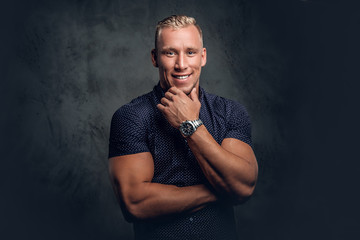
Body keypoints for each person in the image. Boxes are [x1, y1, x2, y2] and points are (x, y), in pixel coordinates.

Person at [108, 15, 258, 240]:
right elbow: (135, 203)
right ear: (155, 57)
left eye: (190, 52)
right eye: (170, 52)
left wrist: (191, 125)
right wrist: (220, 192)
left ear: (203, 56)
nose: (181, 64)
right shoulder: (131, 117)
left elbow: (244, 185)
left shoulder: (230, 112)